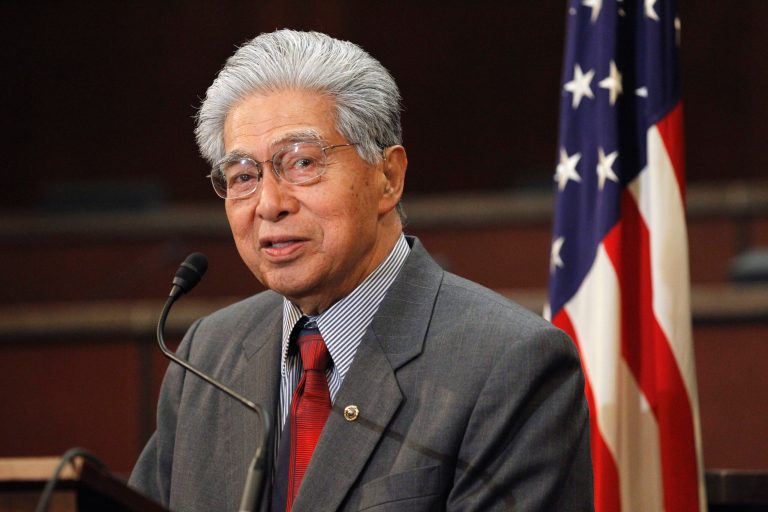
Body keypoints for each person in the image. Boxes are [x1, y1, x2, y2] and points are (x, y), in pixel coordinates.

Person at [129, 29, 593, 511]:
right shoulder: (207, 355)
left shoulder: (509, 362)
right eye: (244, 176)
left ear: (387, 177)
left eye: (302, 162)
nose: (269, 204)